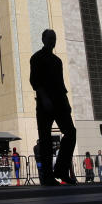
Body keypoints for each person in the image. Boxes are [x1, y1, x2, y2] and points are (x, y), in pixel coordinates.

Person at [30, 29, 77, 186]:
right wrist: (44, 98)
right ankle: (48, 176)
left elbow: (61, 85)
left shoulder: (57, 61)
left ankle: (61, 170)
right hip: (44, 104)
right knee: (45, 139)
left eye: (54, 38)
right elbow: (35, 81)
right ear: (43, 39)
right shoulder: (36, 58)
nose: (52, 40)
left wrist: (66, 103)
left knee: (70, 132)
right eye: (50, 38)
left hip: (60, 102)